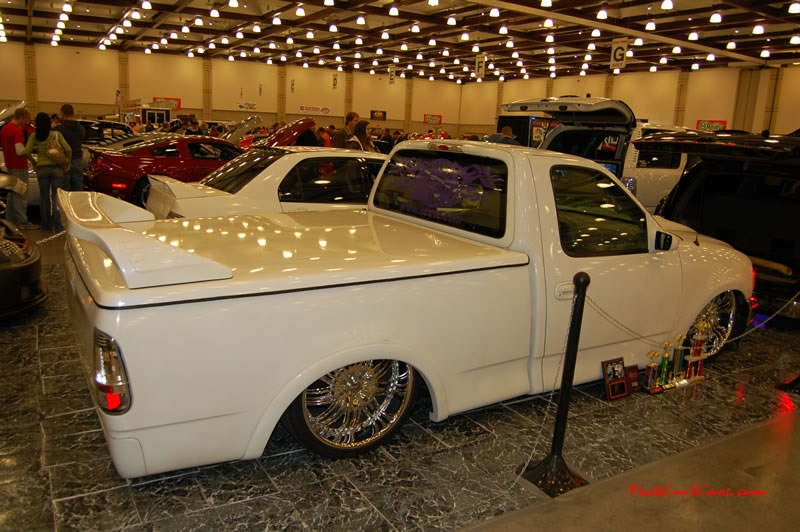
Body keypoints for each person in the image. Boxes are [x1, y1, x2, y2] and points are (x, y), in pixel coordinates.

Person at [24, 112, 71, 232]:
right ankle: (59, 226)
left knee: (44, 197)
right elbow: (68, 149)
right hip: (57, 169)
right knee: (56, 197)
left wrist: (35, 163)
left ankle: (46, 225)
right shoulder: (56, 134)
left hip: (42, 169)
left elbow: (27, 151)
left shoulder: (34, 136)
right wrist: (67, 163)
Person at [1, 107, 35, 228]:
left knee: (12, 194)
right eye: (25, 120)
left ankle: (10, 220)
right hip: (19, 165)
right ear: (20, 118)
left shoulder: (5, 129)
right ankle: (23, 221)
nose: (25, 123)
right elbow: (19, 151)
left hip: (10, 165)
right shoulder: (17, 130)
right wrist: (29, 148)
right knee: (21, 194)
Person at [55, 104, 86, 192]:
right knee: (77, 189)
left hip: (64, 161)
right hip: (78, 160)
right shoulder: (81, 128)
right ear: (73, 113)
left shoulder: (59, 129)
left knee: (64, 190)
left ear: (62, 113)